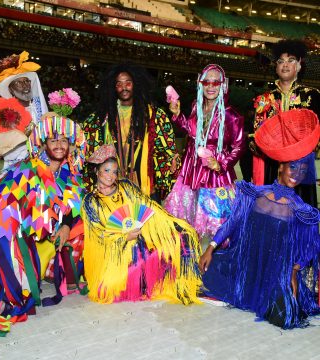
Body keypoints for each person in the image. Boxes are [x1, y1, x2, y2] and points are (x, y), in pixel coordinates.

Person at [0, 89, 85, 338]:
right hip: (6, 223)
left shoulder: (70, 175)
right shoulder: (29, 168)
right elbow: (5, 198)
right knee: (3, 257)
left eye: (64, 141)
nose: (59, 145)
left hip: (30, 231)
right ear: (44, 143)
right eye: (53, 140)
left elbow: (70, 207)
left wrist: (66, 225)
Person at [200, 108, 320, 329]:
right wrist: (212, 247)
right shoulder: (253, 194)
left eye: (303, 170)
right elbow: (233, 222)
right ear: (281, 167)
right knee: (207, 270)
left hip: (277, 273)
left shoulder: (302, 211)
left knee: (285, 317)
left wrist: (294, 272)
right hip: (246, 265)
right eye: (293, 167)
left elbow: (309, 248)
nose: (297, 174)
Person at [81, 144, 202, 305]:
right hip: (113, 261)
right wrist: (124, 237)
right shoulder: (90, 201)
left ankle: (179, 284)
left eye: (115, 171)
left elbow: (149, 207)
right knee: (109, 289)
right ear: (96, 171)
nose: (111, 176)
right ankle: (145, 281)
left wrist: (174, 223)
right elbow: (99, 236)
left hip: (139, 247)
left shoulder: (126, 187)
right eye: (106, 170)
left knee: (181, 238)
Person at [164, 64, 245, 240]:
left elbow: (238, 147)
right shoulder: (196, 106)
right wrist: (178, 116)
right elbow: (191, 130)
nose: (210, 86)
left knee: (214, 227)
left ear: (223, 85)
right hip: (191, 169)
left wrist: (222, 164)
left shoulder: (232, 116)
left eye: (215, 83)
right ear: (200, 84)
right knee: (187, 225)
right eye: (206, 82)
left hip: (214, 174)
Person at [82, 63, 180, 202]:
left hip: (145, 189)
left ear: (136, 84)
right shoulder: (102, 117)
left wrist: (172, 162)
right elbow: (81, 136)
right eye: (119, 84)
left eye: (128, 83)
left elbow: (166, 149)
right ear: (113, 87)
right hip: (112, 188)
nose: (124, 88)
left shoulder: (154, 116)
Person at [252, 39, 320, 207]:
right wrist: (260, 146)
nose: (285, 64)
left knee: (301, 214)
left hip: (303, 167)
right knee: (272, 213)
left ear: (299, 65)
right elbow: (255, 134)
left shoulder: (312, 96)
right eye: (280, 61)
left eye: (291, 60)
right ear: (276, 67)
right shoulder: (264, 99)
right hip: (273, 167)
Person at [0, 50, 48, 171]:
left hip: (42, 167)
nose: (25, 86)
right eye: (19, 83)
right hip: (15, 170)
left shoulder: (39, 108)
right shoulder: (5, 113)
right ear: (11, 90)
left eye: (26, 81)